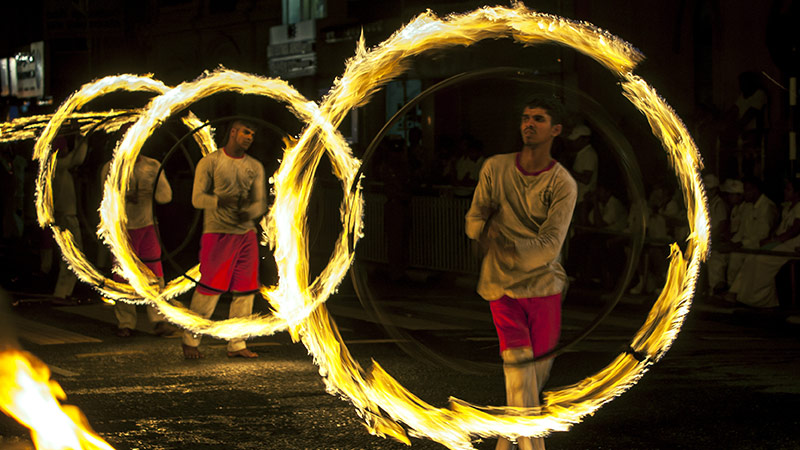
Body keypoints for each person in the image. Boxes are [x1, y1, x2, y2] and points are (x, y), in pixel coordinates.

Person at [465, 97, 577, 450]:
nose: (529, 124)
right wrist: (485, 231)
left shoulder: (562, 183)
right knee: (519, 378)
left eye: (539, 119)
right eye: (526, 117)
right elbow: (473, 219)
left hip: (543, 289)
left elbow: (550, 244)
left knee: (527, 389)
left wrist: (508, 246)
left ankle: (504, 443)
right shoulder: (495, 168)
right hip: (502, 288)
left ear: (555, 130)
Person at [182, 119, 267, 359]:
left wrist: (248, 213)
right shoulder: (210, 162)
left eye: (252, 134)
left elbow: (260, 202)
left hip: (246, 235)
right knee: (210, 288)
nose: (249, 138)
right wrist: (220, 201)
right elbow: (197, 199)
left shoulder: (255, 166)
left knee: (245, 291)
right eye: (246, 132)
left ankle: (237, 343)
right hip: (217, 233)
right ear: (233, 132)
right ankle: (190, 340)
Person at [101, 147, 178, 338]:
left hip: (147, 227)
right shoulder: (112, 166)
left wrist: (150, 191)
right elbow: (105, 198)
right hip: (121, 229)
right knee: (122, 277)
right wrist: (124, 196)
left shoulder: (152, 166)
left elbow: (165, 196)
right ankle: (126, 322)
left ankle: (159, 320)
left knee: (154, 275)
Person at [728, 178, 800, 308]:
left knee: (760, 260)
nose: (785, 191)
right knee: (752, 257)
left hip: (791, 246)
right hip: (780, 243)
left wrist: (775, 240)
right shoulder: (788, 207)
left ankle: (762, 300)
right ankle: (741, 295)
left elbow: (794, 230)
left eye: (788, 189)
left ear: (797, 193)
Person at [51, 135, 88, 305]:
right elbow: (77, 158)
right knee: (72, 254)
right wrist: (83, 139)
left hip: (63, 216)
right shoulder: (57, 166)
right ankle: (61, 294)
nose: (67, 150)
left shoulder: (57, 168)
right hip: (65, 217)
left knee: (71, 255)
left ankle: (64, 293)